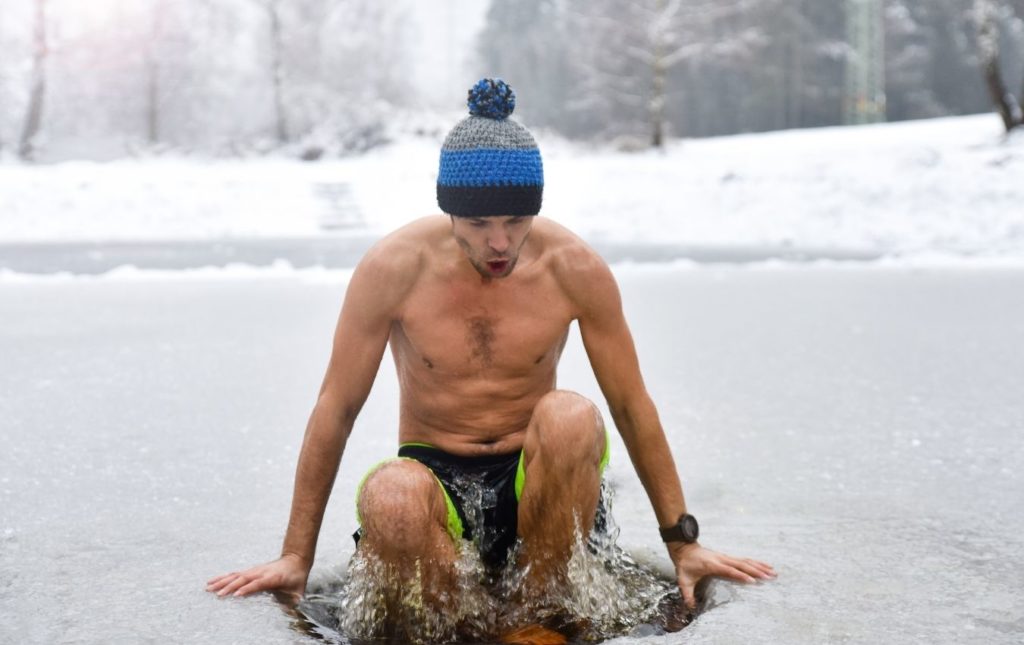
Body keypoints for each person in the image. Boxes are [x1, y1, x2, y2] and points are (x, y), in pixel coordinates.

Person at [206, 78, 774, 623]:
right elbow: (337, 408)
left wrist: (683, 542)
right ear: (449, 209)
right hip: (436, 476)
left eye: (516, 220)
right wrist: (295, 556)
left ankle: (547, 615)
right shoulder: (393, 269)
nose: (499, 242)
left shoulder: (574, 269)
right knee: (391, 493)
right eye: (478, 222)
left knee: (571, 417)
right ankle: (456, 622)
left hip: (541, 481)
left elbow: (631, 406)